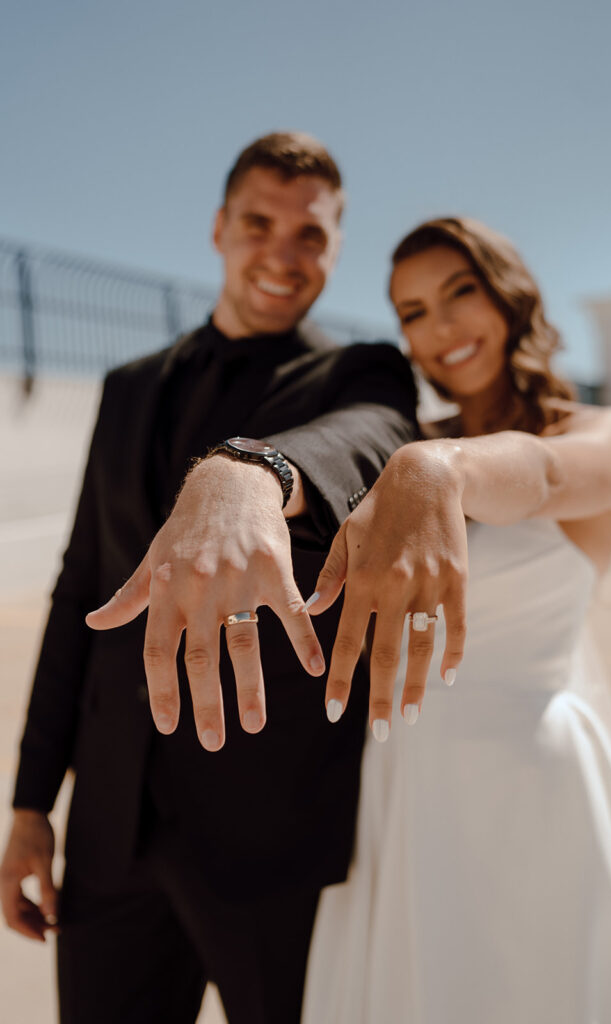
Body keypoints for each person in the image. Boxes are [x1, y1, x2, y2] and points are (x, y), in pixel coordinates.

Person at [0, 132, 417, 1024]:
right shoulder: (125, 388)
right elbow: (79, 595)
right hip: (111, 834)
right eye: (258, 222)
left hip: (270, 842)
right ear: (218, 228)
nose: (282, 252)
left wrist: (252, 471)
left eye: (310, 235)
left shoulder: (359, 373)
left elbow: (372, 435)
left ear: (335, 251)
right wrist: (33, 804)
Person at [302, 217, 611, 1023]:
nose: (438, 329)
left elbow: (541, 477)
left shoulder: (600, 433)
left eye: (458, 292)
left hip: (525, 787)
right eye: (410, 312)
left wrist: (439, 470)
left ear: (508, 294)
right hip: (398, 791)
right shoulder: (401, 445)